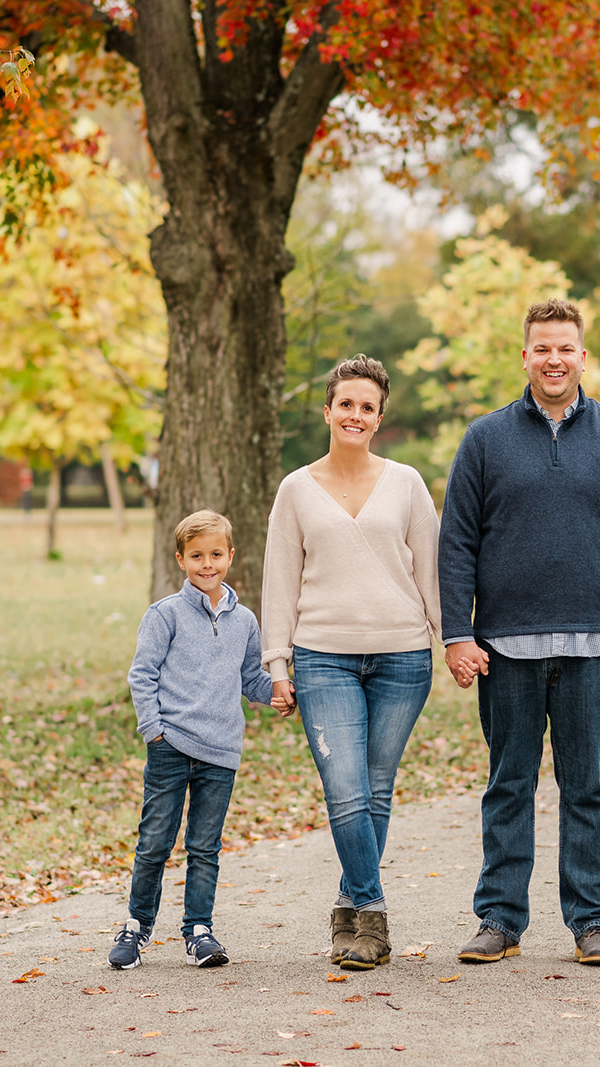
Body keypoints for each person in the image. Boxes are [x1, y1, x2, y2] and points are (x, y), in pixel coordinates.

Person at [440, 298, 600, 967]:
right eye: (542, 347)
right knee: (509, 783)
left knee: (587, 786)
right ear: (526, 355)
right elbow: (456, 542)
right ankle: (500, 919)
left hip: (595, 644)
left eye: (566, 347)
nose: (554, 359)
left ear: (583, 356)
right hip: (505, 647)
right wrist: (458, 631)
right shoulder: (485, 439)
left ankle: (592, 920)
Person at [261, 356, 441, 971]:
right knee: (345, 792)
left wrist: (454, 641)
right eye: (346, 404)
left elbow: (432, 572)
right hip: (321, 657)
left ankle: (348, 909)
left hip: (402, 656)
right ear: (329, 411)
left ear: (380, 416)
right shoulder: (295, 489)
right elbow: (279, 581)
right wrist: (276, 663)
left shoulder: (408, 483)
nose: (355, 415)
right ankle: (373, 909)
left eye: (367, 407)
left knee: (375, 789)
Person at [109, 510, 275, 971]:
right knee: (155, 843)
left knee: (205, 846)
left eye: (216, 554)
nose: (208, 564)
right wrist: (154, 731)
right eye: (197, 555)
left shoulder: (244, 620)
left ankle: (198, 930)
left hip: (220, 752)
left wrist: (281, 692)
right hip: (171, 746)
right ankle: (136, 927)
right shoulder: (165, 614)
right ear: (181, 558)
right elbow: (142, 675)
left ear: (231, 557)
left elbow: (250, 679)